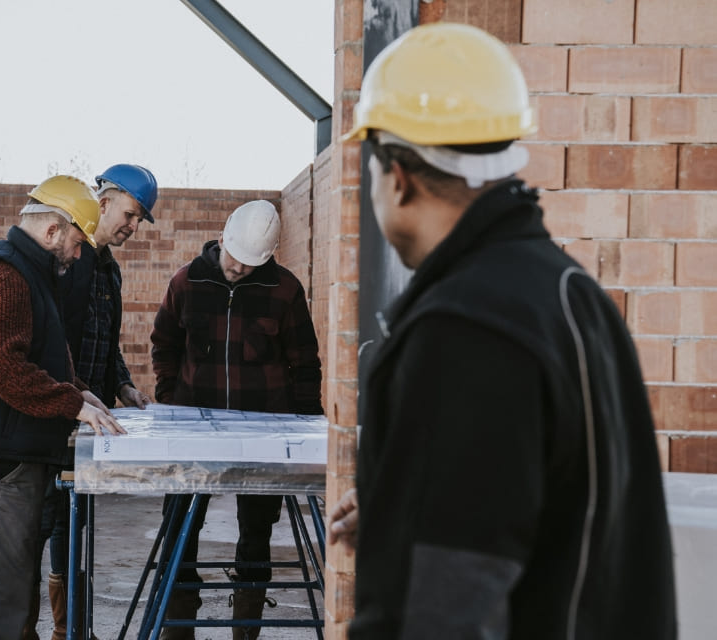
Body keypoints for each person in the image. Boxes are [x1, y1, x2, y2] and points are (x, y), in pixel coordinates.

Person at [326, 22, 677, 639]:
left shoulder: (463, 331)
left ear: (396, 173)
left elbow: (438, 615)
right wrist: (403, 510)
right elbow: (546, 513)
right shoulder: (569, 293)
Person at [0, 175, 125, 640]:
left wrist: (81, 389)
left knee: (16, 582)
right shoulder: (5, 274)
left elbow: (39, 353)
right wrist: (72, 403)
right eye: (78, 243)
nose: (80, 256)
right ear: (53, 231)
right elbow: (3, 366)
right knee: (0, 588)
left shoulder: (30, 271)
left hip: (14, 449)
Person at [150, 199, 324, 639]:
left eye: (250, 264)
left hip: (264, 431)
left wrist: (304, 427)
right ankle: (178, 626)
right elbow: (164, 344)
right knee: (179, 529)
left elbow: (305, 361)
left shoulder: (285, 289)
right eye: (234, 259)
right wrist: (171, 403)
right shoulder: (186, 282)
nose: (238, 269)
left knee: (256, 532)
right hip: (194, 429)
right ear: (223, 238)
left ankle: (246, 627)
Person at [27, 164, 159, 640]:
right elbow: (52, 337)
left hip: (88, 417)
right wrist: (71, 397)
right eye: (131, 213)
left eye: (140, 219)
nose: (133, 225)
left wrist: (121, 384)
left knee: (71, 522)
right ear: (104, 202)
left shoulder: (109, 269)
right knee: (44, 520)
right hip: (60, 412)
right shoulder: (68, 258)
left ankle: (72, 630)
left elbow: (106, 340)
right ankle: (49, 630)